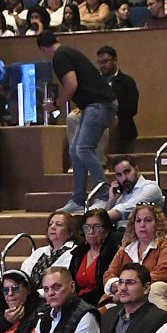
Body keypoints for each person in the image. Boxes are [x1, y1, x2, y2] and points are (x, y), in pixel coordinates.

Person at [39, 29, 117, 213]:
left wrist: (56, 104)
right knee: (75, 150)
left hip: (100, 105)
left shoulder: (59, 57)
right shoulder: (67, 51)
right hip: (96, 104)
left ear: (43, 48)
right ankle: (78, 198)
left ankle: (105, 193)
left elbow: (71, 85)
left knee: (83, 148)